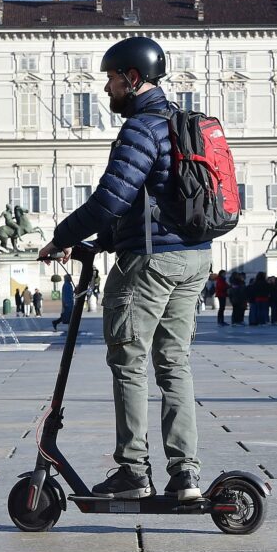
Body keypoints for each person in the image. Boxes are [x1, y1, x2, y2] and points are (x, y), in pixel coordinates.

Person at [38, 35, 212, 503]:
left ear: (132, 79)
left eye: (112, 79)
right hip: (194, 257)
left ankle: (134, 470)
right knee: (174, 364)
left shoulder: (141, 128)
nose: (107, 88)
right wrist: (99, 243)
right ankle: (185, 476)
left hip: (151, 265)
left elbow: (111, 199)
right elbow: (147, 201)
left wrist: (62, 236)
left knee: (128, 361)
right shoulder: (178, 123)